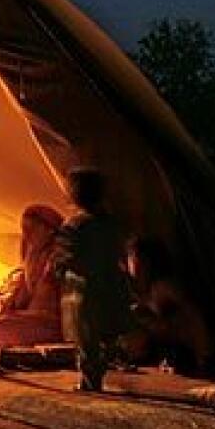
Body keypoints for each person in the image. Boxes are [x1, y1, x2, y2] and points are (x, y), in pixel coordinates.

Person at [52, 167, 131, 392]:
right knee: (105, 336)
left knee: (87, 340)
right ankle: (99, 372)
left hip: (83, 293)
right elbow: (119, 253)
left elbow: (64, 259)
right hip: (111, 287)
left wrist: (61, 272)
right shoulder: (112, 224)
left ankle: (90, 380)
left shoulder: (74, 227)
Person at [0, 204, 65, 347]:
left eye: (31, 230)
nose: (26, 235)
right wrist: (8, 302)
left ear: (49, 230)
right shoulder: (32, 255)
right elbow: (22, 297)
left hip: (54, 323)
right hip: (32, 318)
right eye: (24, 230)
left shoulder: (59, 255)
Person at [125, 237, 213, 374]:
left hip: (183, 348)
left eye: (134, 257)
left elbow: (193, 315)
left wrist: (203, 354)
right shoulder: (136, 290)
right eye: (130, 257)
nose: (130, 262)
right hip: (162, 351)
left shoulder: (164, 287)